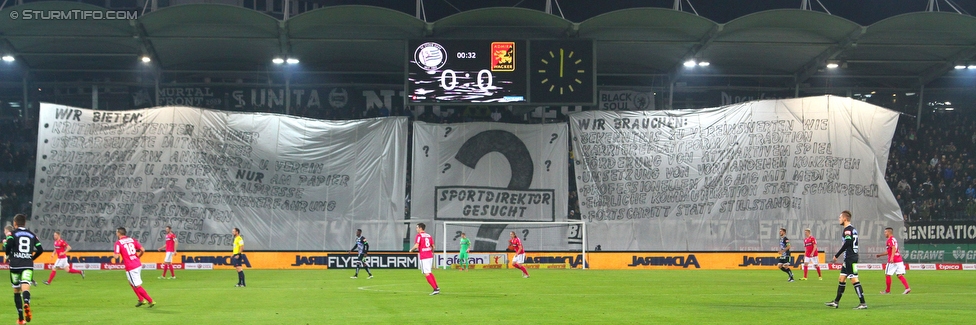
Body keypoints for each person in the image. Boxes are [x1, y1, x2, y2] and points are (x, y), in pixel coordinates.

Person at [825, 210, 867, 310]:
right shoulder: (853, 229)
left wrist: (836, 255)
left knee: (854, 279)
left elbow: (848, 243)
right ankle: (836, 302)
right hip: (851, 257)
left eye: (840, 217)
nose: (839, 219)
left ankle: (863, 303)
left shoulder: (847, 230)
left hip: (850, 258)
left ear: (844, 218)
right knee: (841, 278)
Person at [6, 214, 43, 324]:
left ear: (15, 223)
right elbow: (40, 249)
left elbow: (9, 245)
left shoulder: (11, 233)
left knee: (16, 290)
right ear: (25, 223)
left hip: (15, 264)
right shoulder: (32, 235)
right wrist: (32, 258)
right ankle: (26, 302)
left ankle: (21, 318)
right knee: (26, 285)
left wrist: (8, 254)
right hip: (27, 264)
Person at [114, 227, 154, 308]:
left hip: (130, 266)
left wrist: (114, 254)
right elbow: (143, 249)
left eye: (116, 232)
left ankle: (150, 301)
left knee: (136, 285)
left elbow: (116, 256)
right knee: (131, 282)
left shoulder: (118, 243)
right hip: (137, 264)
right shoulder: (132, 240)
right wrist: (138, 257)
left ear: (118, 233)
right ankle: (141, 299)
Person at [876, 227, 911, 294]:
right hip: (899, 259)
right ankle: (907, 288)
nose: (884, 233)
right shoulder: (894, 239)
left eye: (885, 232)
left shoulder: (890, 240)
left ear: (889, 232)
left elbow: (893, 248)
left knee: (887, 274)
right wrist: (880, 255)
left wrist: (892, 257)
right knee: (899, 275)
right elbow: (889, 251)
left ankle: (887, 291)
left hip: (893, 260)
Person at [409, 223, 439, 295]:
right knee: (429, 271)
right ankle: (437, 287)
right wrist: (431, 253)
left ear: (420, 228)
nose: (416, 229)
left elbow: (416, 245)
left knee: (426, 273)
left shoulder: (419, 236)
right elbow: (433, 246)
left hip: (424, 256)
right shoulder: (429, 235)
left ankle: (435, 289)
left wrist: (411, 250)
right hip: (429, 255)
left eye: (417, 227)